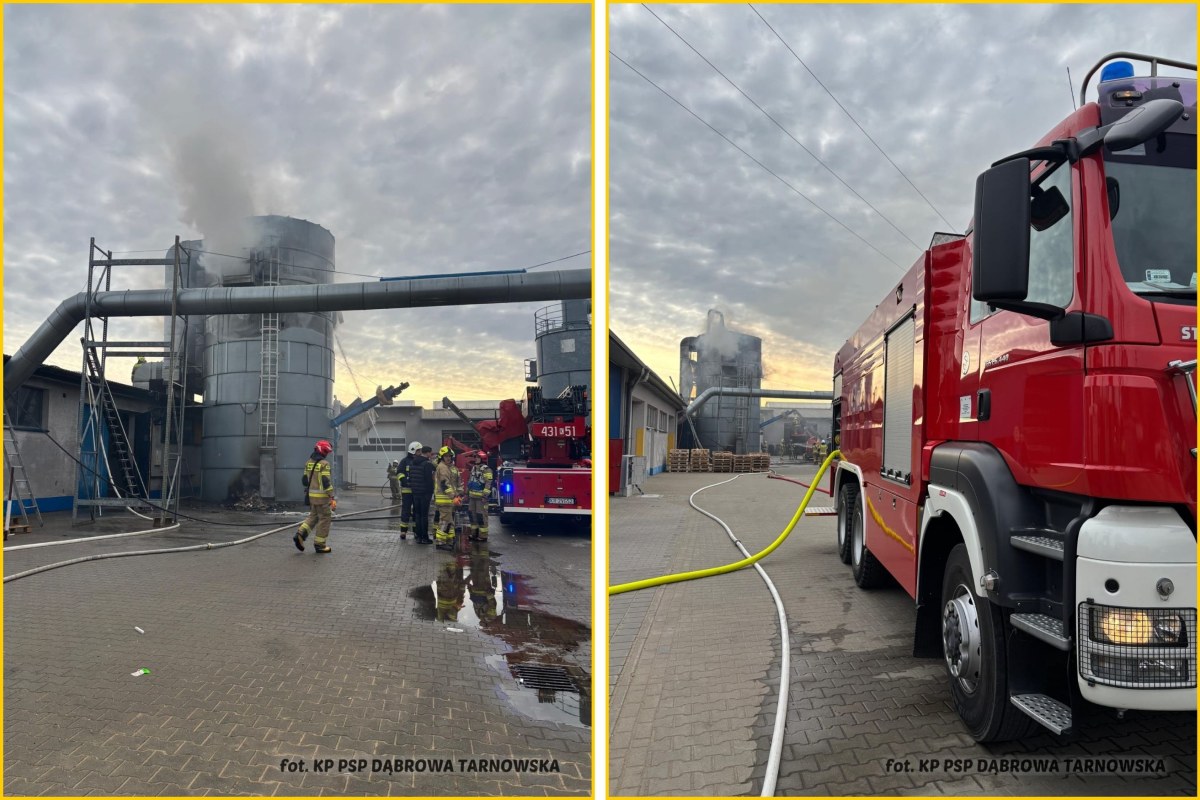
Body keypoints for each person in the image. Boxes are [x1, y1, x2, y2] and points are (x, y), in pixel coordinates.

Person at [294, 439, 335, 554]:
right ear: (322, 451)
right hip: (322, 498)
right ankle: (320, 545)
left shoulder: (308, 463)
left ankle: (300, 534)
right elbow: (325, 481)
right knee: (325, 518)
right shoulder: (324, 464)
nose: (326, 454)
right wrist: (331, 497)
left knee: (313, 516)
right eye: (326, 452)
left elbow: (304, 481)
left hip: (311, 497)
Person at [433, 445, 463, 550]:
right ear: (442, 457)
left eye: (450, 456)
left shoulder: (451, 468)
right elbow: (444, 484)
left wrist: (459, 495)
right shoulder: (442, 467)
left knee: (450, 521)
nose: (448, 458)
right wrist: (454, 496)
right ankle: (440, 542)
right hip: (445, 499)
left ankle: (449, 539)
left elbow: (457, 483)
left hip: (450, 500)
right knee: (445, 521)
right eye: (446, 456)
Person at [406, 444, 435, 545]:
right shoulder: (427, 464)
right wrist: (431, 492)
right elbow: (429, 481)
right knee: (424, 516)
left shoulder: (413, 463)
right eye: (430, 453)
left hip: (415, 493)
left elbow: (411, 478)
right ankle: (425, 537)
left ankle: (418, 536)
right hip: (424, 493)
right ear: (427, 453)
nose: (431, 455)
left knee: (417, 515)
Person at [466, 451, 494, 542]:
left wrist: (485, 496)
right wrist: (466, 493)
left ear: (483, 459)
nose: (476, 459)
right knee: (472, 516)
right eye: (476, 457)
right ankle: (474, 534)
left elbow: (488, 483)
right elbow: (470, 481)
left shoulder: (486, 469)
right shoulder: (474, 468)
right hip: (472, 497)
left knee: (481, 516)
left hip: (481, 498)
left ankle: (483, 536)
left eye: (478, 457)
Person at [396, 441, 421, 540]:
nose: (420, 452)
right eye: (418, 451)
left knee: (416, 511)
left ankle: (415, 531)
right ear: (413, 450)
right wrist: (404, 481)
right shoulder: (404, 461)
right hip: (407, 491)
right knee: (406, 511)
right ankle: (403, 531)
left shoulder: (420, 461)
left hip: (416, 491)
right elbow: (399, 473)